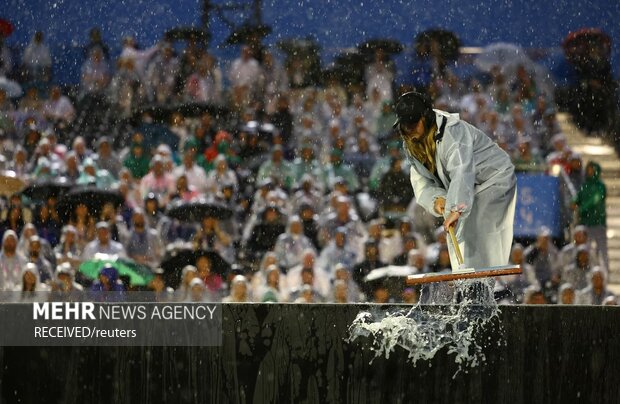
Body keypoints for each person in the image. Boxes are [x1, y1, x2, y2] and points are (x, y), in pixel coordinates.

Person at [393, 91, 516, 271]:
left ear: (425, 117)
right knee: (457, 233)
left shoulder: (452, 131)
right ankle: (466, 280)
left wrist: (456, 208)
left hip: (493, 178)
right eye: (405, 124)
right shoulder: (411, 144)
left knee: (477, 231)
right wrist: (436, 200)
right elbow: (420, 180)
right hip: (467, 187)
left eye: (413, 123)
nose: (408, 129)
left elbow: (461, 170)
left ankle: (484, 283)